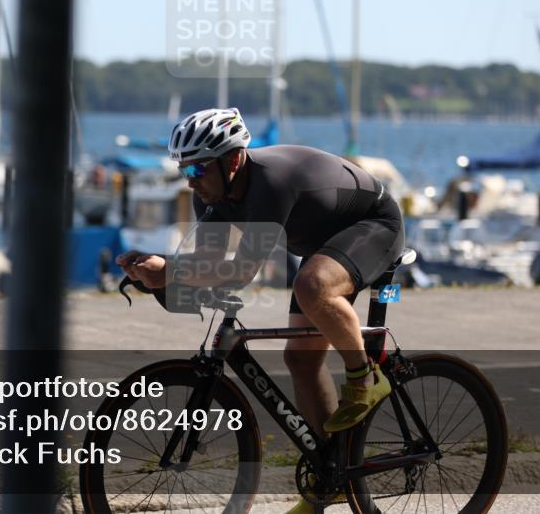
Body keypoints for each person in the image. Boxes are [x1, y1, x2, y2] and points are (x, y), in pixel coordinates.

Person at [116, 107, 405, 512]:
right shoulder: (211, 199)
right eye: (186, 173)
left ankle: (364, 375)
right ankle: (332, 476)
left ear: (233, 160)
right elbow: (212, 274)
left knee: (312, 286)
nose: (192, 182)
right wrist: (158, 281)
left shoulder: (271, 184)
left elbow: (243, 268)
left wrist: (169, 270)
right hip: (324, 244)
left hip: (373, 225)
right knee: (300, 360)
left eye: (199, 171)